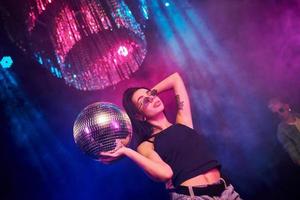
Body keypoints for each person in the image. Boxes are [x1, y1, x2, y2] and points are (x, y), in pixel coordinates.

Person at [101, 72, 241, 199]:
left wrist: (151, 92)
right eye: (143, 101)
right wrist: (127, 151)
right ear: (139, 116)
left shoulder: (183, 123)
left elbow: (175, 79)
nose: (151, 99)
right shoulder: (147, 145)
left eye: (151, 94)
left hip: (226, 192)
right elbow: (165, 174)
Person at [268, 98, 300, 166]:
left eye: (281, 110)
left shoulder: (299, 116)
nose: (280, 114)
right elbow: (293, 152)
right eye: (276, 113)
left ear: (286, 106)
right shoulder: (281, 131)